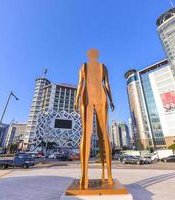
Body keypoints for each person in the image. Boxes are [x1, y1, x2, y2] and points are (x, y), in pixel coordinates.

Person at [74, 48, 115, 189]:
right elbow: (107, 85)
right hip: (101, 97)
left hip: (87, 98)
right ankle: (108, 175)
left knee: (86, 134)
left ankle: (84, 176)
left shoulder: (84, 66)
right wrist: (111, 100)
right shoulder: (103, 67)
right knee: (104, 135)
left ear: (89, 56)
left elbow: (80, 84)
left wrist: (76, 99)